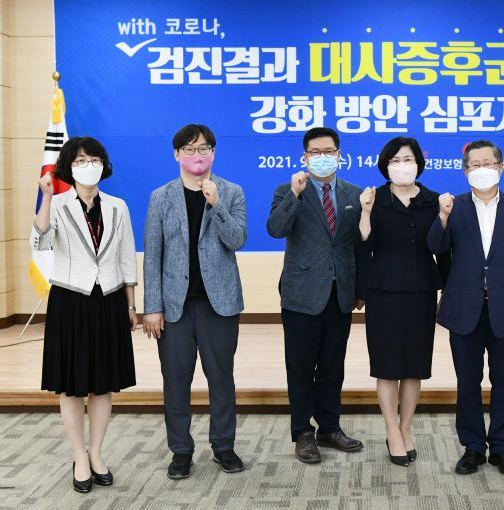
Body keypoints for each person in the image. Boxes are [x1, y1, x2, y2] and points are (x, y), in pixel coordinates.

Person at [427, 140, 504, 477]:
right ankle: (473, 447)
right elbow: (435, 246)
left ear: (501, 167)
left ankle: (502, 447)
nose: (482, 169)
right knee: (468, 382)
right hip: (465, 308)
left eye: (488, 163)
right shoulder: (454, 206)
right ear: (465, 171)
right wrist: (442, 217)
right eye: (474, 165)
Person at [31, 137, 138, 493]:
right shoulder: (58, 204)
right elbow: (41, 241)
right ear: (69, 167)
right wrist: (46, 197)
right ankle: (79, 456)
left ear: (103, 165)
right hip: (70, 301)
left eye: (93, 159)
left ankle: (96, 453)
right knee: (72, 384)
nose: (87, 165)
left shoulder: (118, 207)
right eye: (79, 160)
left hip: (109, 300)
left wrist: (131, 305)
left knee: (104, 383)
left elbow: (126, 256)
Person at [143, 124, 247, 480]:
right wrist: (152, 306)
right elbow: (153, 254)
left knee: (221, 379)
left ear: (213, 153)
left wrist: (216, 204)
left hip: (219, 303)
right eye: (189, 149)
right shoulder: (161, 197)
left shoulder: (231, 192)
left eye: (203, 148)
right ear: (176, 154)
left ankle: (224, 446)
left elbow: (237, 239)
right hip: (175, 306)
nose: (196, 155)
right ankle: (181, 451)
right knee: (175, 380)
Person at [267, 126, 365, 464]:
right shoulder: (288, 190)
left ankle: (329, 427)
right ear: (305, 157)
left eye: (328, 152)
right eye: (315, 152)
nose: (322, 157)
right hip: (301, 293)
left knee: (332, 367)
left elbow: (357, 246)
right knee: (300, 368)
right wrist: (294, 196)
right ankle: (302, 432)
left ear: (339, 155)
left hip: (340, 294)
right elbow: (275, 229)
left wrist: (359, 290)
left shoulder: (354, 194)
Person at [358, 136, 450, 467]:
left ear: (419, 164)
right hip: (383, 291)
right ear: (385, 165)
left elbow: (441, 249)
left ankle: (405, 428)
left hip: (422, 290)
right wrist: (365, 213)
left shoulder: (433, 200)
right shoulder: (374, 198)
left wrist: (442, 218)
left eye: (408, 159)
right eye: (395, 160)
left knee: (414, 366)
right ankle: (391, 430)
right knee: (387, 366)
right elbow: (364, 244)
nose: (402, 165)